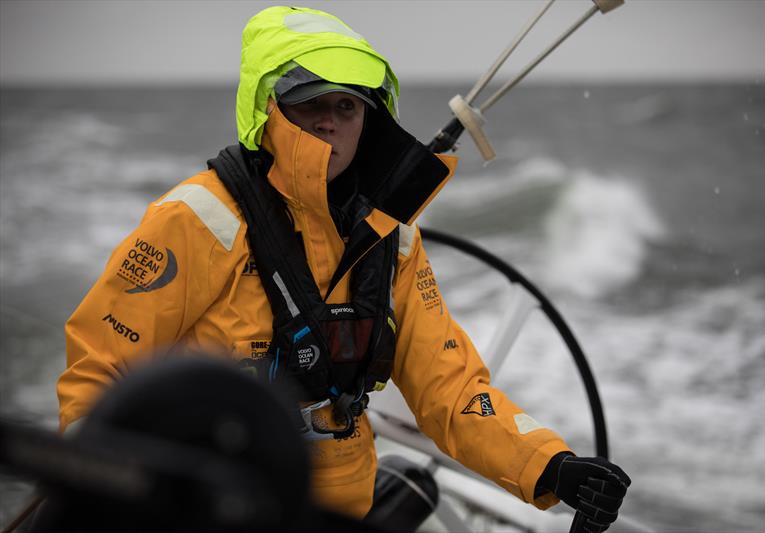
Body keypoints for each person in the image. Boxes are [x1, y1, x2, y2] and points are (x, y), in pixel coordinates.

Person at [56, 6, 629, 531]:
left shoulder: (394, 238)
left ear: (369, 118)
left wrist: (552, 466)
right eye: (311, 102)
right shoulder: (198, 219)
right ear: (269, 111)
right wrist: (101, 491)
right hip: (215, 501)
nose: (330, 121)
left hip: (339, 509)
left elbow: (448, 388)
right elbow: (101, 370)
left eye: (347, 105)